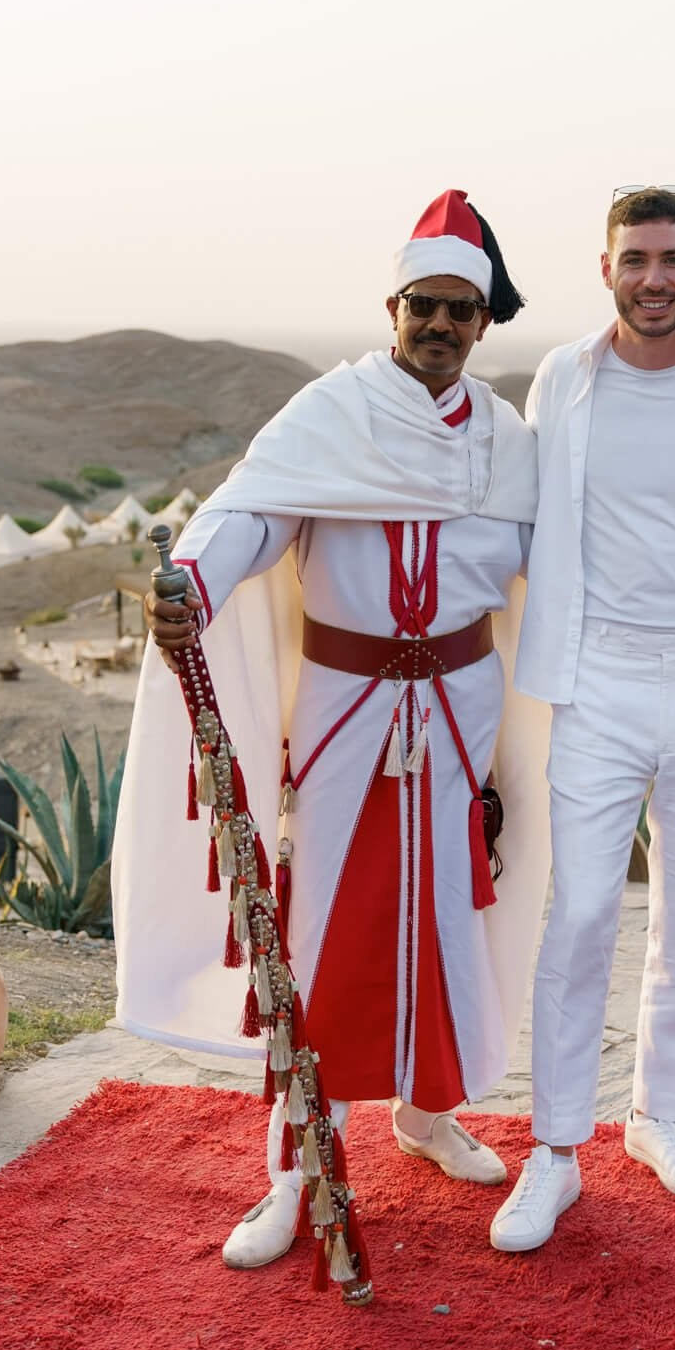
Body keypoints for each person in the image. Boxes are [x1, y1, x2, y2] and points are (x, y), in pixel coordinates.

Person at [112, 191, 548, 1274]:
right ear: (391, 307)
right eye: (421, 306)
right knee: (319, 932)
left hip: (458, 714)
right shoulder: (328, 414)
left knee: (446, 919)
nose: (439, 325)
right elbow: (249, 513)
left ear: (483, 322)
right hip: (349, 716)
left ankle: (427, 1112)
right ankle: (296, 1164)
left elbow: (567, 566)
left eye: (460, 308)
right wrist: (194, 586)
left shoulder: (511, 443)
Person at [488, 185, 675, 1253]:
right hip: (595, 673)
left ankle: (659, 1116)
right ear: (604, 268)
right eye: (634, 259)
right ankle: (556, 1150)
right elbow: (514, 521)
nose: (653, 278)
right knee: (579, 916)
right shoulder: (561, 380)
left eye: (672, 259)